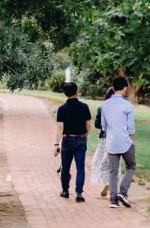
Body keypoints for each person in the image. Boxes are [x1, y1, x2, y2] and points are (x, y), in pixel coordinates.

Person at [99, 76, 135, 208]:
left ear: (113, 88)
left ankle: (113, 201)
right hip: (125, 141)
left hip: (111, 142)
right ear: (125, 88)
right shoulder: (127, 105)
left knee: (113, 172)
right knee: (131, 166)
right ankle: (123, 193)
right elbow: (131, 127)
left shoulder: (105, 105)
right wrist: (132, 142)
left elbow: (104, 126)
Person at [54, 81, 91, 202]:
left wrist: (56, 144)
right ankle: (79, 193)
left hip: (67, 139)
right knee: (80, 167)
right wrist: (84, 136)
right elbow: (88, 125)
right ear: (76, 91)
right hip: (80, 138)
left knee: (65, 167)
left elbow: (60, 127)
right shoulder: (84, 107)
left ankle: (65, 191)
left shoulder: (62, 109)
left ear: (65, 94)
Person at [91, 86, 118, 197]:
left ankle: (105, 180)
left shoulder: (102, 107)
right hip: (117, 138)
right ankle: (110, 184)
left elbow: (97, 124)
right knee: (115, 161)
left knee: (102, 160)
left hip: (104, 138)